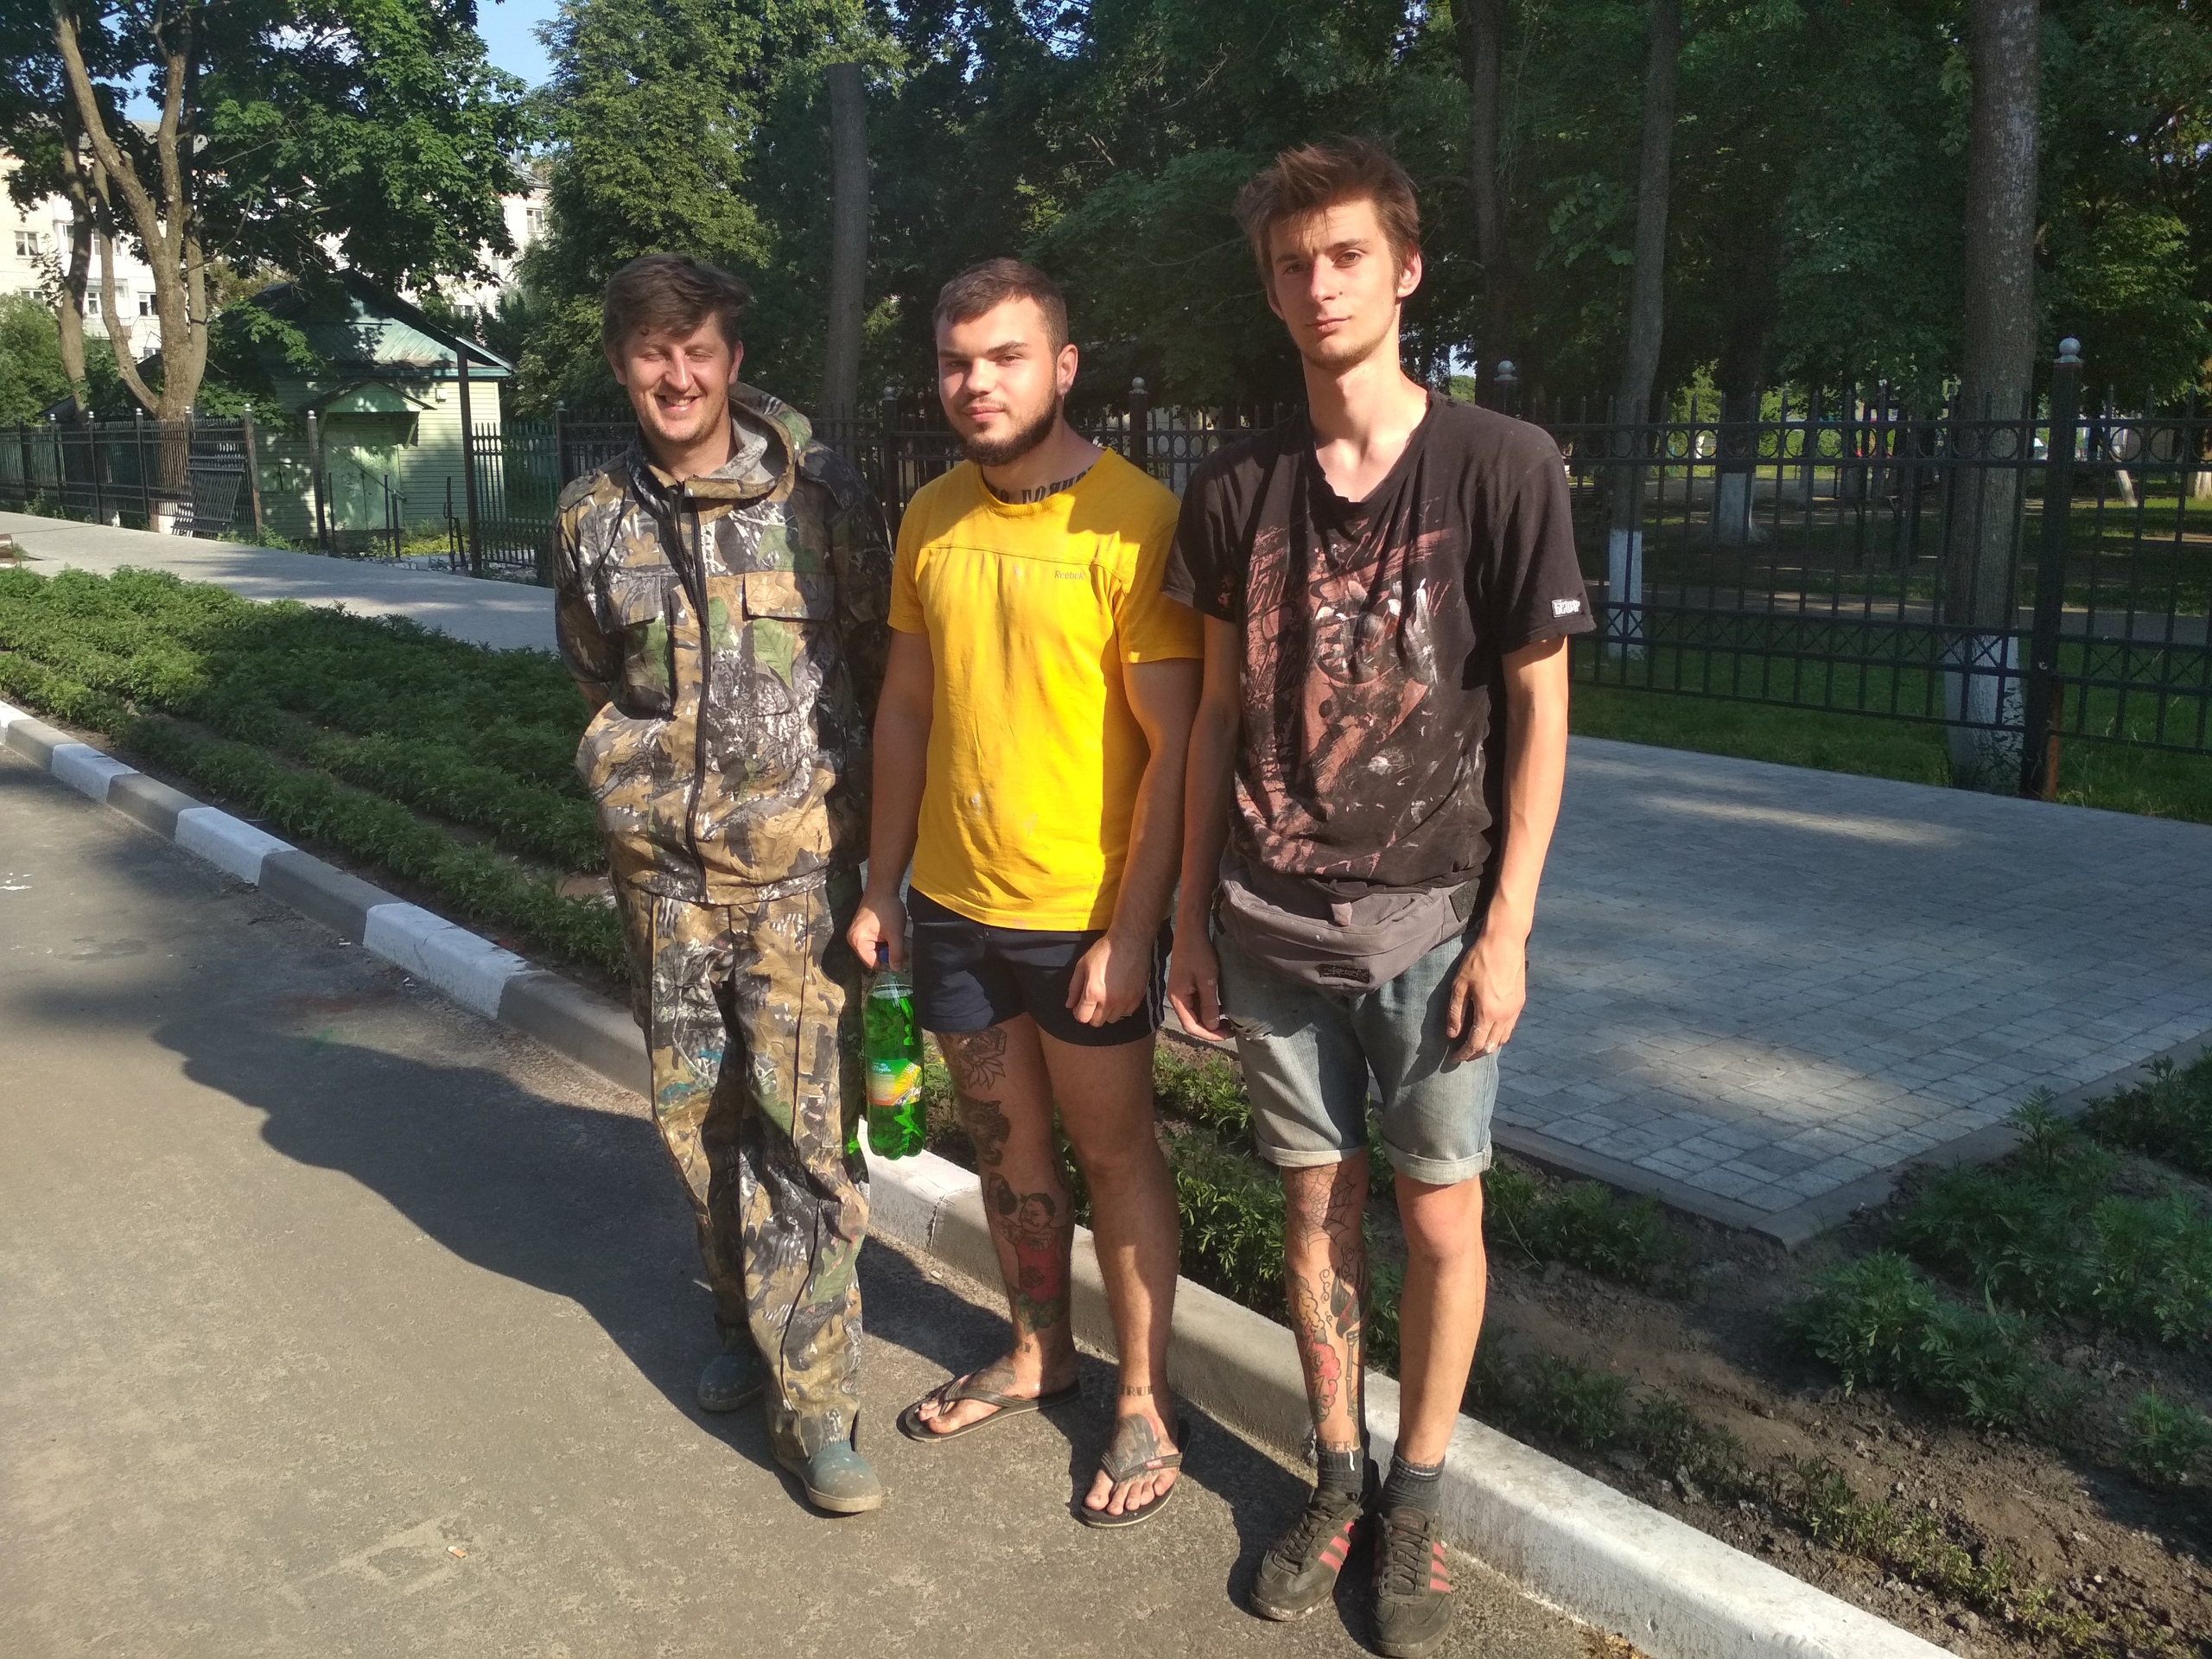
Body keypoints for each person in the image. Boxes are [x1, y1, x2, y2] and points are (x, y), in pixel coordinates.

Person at [1164, 141, 1591, 1656]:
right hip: (1269, 921)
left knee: (1440, 1210)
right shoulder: (1235, 487)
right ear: (1270, 288)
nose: (1319, 284)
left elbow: (1541, 710)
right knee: (1312, 1207)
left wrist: (1509, 929)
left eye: (1345, 254)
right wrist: (1186, 919)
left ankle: (1418, 1501)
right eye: (1292, 263)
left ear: (1405, 269)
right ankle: (1336, 1478)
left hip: (1435, 926)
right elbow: (1215, 717)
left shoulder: (1502, 465)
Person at [847, 258, 1202, 1526]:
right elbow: (905, 709)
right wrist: (882, 883)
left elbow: (1174, 747)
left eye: (1005, 357)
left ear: (1063, 366)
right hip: (952, 908)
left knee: (1115, 1153)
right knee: (1005, 1147)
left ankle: (1144, 1399)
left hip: (1079, 917)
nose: (976, 383)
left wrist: (1133, 929)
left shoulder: (1136, 520)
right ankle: (1040, 1349)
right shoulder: (931, 516)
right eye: (956, 362)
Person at [550, 253, 893, 1515]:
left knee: (808, 1138)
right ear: (621, 364)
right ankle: (746, 1324)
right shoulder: (592, 516)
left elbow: (883, 661)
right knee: (699, 1123)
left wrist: (875, 852)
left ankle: (820, 1405)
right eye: (653, 352)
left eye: (697, 350)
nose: (677, 375)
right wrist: (629, 789)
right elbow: (592, 670)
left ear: (733, 360)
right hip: (665, 885)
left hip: (800, 879)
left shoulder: (823, 494)